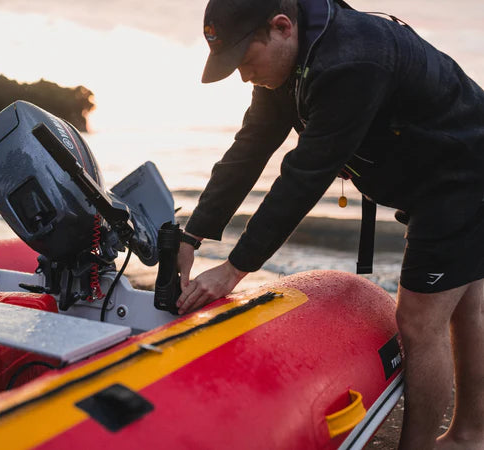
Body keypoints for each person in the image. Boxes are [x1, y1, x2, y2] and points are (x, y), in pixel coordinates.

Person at [175, 0, 484, 448]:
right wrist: (192, 234)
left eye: (245, 60)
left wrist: (235, 268)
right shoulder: (288, 62)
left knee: (420, 322)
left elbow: (304, 176)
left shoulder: (352, 61)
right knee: (466, 304)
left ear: (281, 27)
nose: (243, 76)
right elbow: (249, 149)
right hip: (439, 173)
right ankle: (472, 435)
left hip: (462, 177)